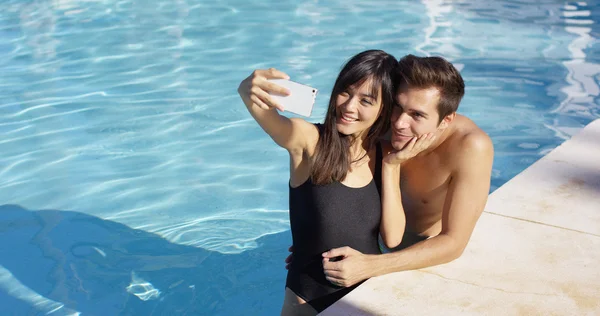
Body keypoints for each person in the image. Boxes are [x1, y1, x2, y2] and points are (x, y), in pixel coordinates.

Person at [287, 54, 495, 290]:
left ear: (446, 120)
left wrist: (371, 266)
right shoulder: (378, 123)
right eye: (398, 107)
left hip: (419, 253)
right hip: (368, 242)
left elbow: (453, 242)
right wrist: (314, 239)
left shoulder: (469, 147)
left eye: (417, 115)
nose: (398, 123)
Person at [237, 50, 404, 315]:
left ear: (384, 108)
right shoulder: (309, 140)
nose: (349, 106)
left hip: (367, 297)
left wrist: (392, 166)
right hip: (308, 303)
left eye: (366, 100)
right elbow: (274, 124)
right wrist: (249, 90)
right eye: (345, 92)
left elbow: (393, 238)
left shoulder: (385, 153)